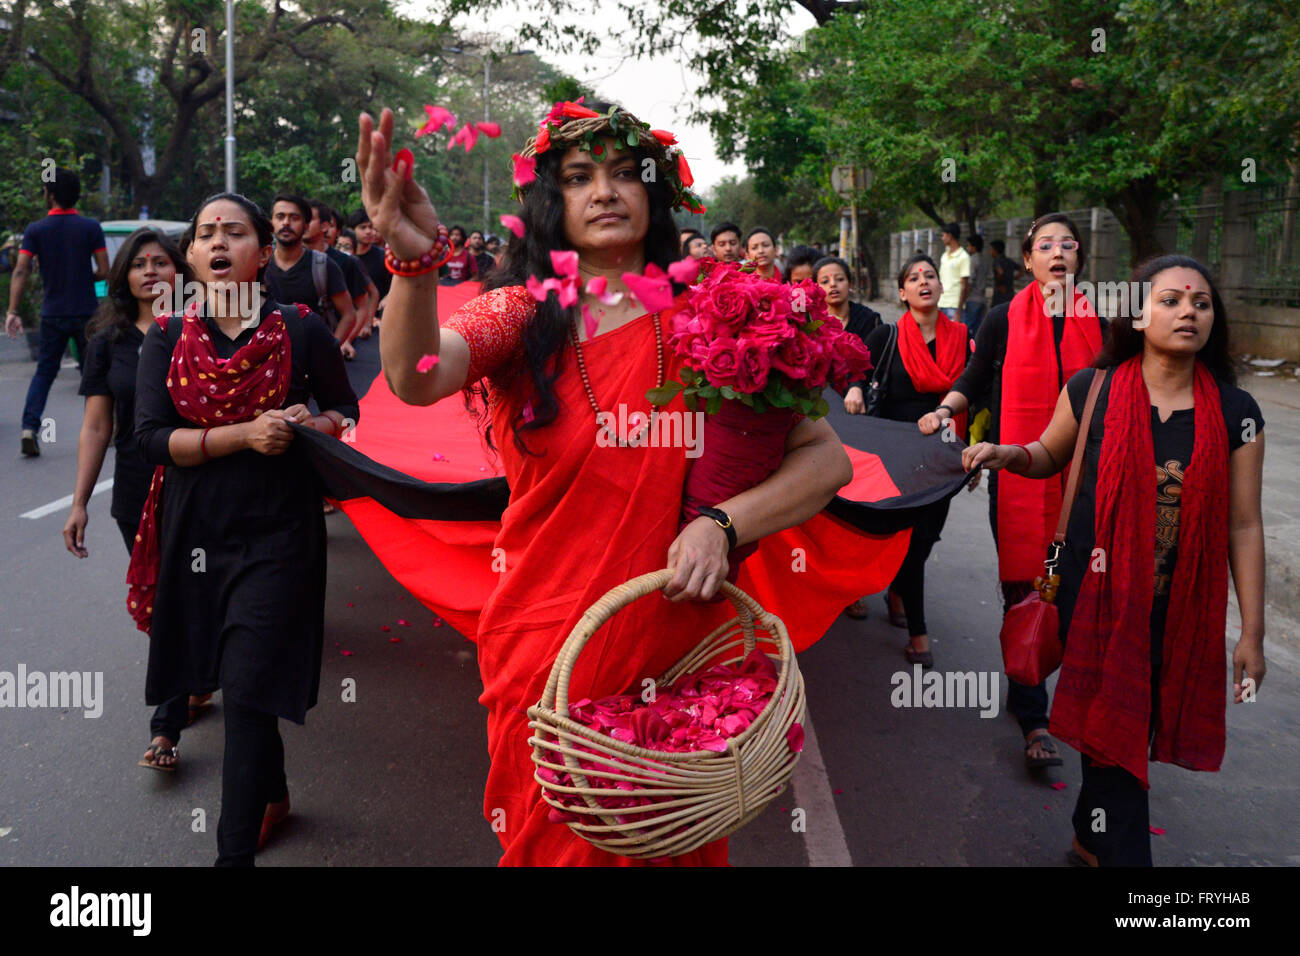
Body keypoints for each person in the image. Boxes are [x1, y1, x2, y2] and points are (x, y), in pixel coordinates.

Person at [356, 101, 857, 866]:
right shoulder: (521, 313)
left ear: (656, 196)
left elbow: (825, 462)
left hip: (679, 646)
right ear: (550, 203)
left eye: (627, 174)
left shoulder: (720, 317)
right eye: (580, 177)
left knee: (664, 844)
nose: (605, 191)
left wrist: (723, 525)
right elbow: (416, 376)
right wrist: (412, 262)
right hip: (548, 646)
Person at [962, 255, 1266, 866]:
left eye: (1201, 304)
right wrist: (1005, 453)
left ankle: (1087, 833)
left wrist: (1252, 634)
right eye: (1172, 300)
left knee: (1129, 726)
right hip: (1091, 594)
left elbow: (1244, 522)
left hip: (1178, 610)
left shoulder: (1240, 414)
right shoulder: (1092, 388)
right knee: (1115, 732)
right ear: (1137, 313)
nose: (1188, 312)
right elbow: (1048, 454)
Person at [132, 193, 360, 865]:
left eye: (236, 232)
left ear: (263, 253)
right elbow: (149, 439)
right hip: (197, 535)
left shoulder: (301, 329)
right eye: (207, 234)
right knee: (238, 681)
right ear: (193, 257)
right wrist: (243, 435)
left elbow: (343, 411)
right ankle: (276, 794)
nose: (220, 242)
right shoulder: (167, 337)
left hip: (280, 535)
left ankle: (232, 855)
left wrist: (309, 426)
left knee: (252, 683)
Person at [919, 213, 1106, 770]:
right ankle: (1034, 716)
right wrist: (945, 410)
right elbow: (974, 380)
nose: (1057, 253)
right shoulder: (1002, 318)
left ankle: (1060, 691)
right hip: (1020, 475)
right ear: (1027, 260)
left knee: (1077, 594)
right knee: (1029, 590)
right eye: (1044, 245)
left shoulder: (1106, 321)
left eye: (1067, 245)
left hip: (1086, 485)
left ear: (1078, 259)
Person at [62, 227, 212, 770]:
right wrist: (78, 502)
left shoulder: (207, 328)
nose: (150, 271)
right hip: (134, 493)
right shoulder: (107, 339)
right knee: (167, 598)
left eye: (161, 262)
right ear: (124, 277)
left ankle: (168, 723)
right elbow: (98, 425)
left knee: (191, 595)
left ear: (181, 272)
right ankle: (183, 697)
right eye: (138, 264)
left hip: (201, 487)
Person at [851, 255, 970, 662]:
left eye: (931, 276)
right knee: (914, 540)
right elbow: (856, 369)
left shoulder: (963, 338)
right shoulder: (887, 337)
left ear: (941, 287)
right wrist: (853, 388)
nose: (924, 282)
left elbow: (976, 389)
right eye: (914, 278)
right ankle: (919, 635)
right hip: (897, 456)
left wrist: (974, 450)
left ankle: (899, 589)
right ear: (902, 293)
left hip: (945, 455)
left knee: (930, 536)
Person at [6, 168, 110, 457]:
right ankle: (108, 430)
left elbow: (21, 270)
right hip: (87, 312)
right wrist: (81, 276)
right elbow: (103, 270)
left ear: (50, 195)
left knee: (44, 373)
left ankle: (30, 429)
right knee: (94, 373)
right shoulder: (90, 227)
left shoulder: (35, 230)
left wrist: (13, 310)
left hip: (52, 313)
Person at [265, 194, 357, 357]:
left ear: (306, 226)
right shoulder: (258, 265)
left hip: (311, 362)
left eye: (294, 218)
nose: (286, 222)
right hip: (267, 360)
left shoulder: (323, 265)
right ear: (272, 223)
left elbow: (349, 314)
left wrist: (330, 350)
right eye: (280, 217)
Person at [307, 200, 374, 345]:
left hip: (329, 345)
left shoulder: (346, 262)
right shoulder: (280, 261)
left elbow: (360, 307)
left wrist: (344, 341)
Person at [348, 208, 392, 314]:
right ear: (351, 230)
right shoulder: (346, 257)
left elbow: (397, 283)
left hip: (380, 313)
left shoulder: (384, 256)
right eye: (363, 228)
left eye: (371, 227)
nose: (368, 231)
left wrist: (388, 297)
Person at [936, 222, 969, 321]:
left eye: (943, 235)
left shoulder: (963, 257)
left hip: (954, 306)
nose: (942, 238)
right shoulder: (944, 256)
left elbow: (964, 286)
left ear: (949, 235)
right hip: (941, 303)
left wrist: (959, 311)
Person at [964, 234, 990, 339]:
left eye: (968, 246)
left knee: (968, 328)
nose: (967, 248)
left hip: (973, 298)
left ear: (974, 247)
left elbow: (970, 281)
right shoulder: (985, 260)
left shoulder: (972, 260)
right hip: (982, 298)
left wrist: (964, 297)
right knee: (978, 330)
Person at [990, 238, 1021, 307]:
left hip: (999, 295)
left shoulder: (996, 261)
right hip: (1010, 293)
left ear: (996, 250)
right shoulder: (1009, 261)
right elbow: (1022, 269)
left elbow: (1000, 272)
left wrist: (1001, 285)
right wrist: (1014, 278)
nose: (990, 252)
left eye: (991, 249)